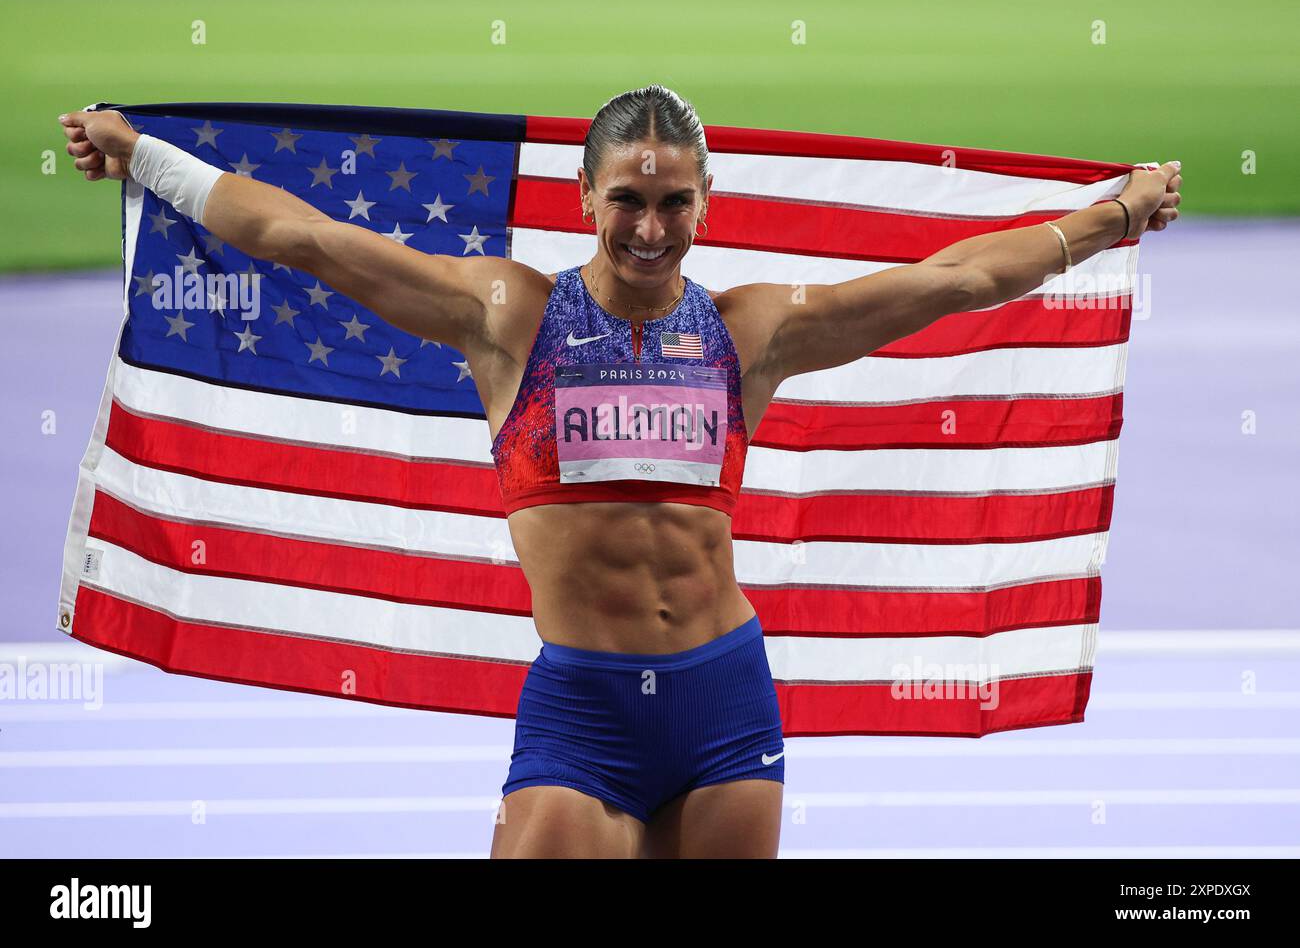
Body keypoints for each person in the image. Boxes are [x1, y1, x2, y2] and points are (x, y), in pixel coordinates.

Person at [59, 84, 1181, 859]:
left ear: (704, 203)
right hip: (584, 709)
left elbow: (956, 281)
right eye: (630, 201)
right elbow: (304, 238)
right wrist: (143, 155)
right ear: (584, 200)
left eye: (675, 202)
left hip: (724, 701)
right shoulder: (506, 316)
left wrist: (1114, 214)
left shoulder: (752, 332)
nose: (651, 226)